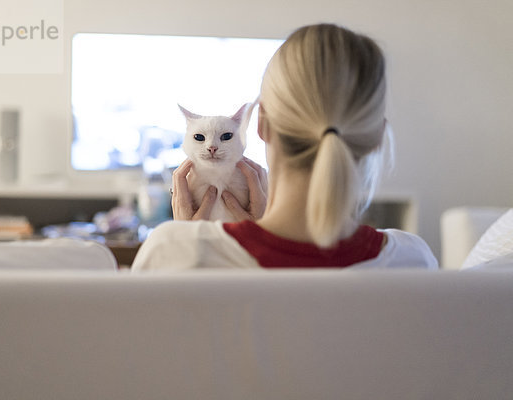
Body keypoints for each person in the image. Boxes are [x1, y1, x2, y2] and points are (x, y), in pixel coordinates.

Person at [132, 24, 438, 271]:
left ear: (261, 124)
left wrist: (189, 239)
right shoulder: (413, 260)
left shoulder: (172, 253)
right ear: (376, 138)